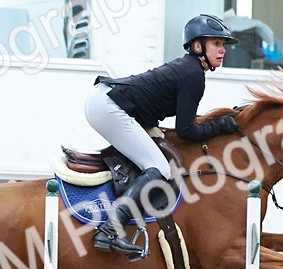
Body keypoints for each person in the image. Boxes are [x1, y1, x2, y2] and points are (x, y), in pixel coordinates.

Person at [84, 13, 241, 256]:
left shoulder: (189, 69)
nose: (222, 50)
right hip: (108, 106)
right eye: (217, 43)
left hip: (106, 101)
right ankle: (111, 229)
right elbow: (187, 130)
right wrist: (220, 126)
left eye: (223, 45)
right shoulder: (193, 75)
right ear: (198, 46)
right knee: (160, 167)